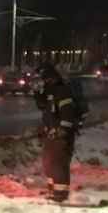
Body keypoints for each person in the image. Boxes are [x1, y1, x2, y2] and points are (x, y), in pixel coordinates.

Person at [32, 63, 78, 202]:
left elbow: (68, 113)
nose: (38, 81)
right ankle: (53, 189)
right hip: (51, 132)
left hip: (61, 134)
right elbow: (44, 107)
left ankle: (61, 192)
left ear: (47, 77)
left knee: (58, 162)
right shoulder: (50, 90)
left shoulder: (61, 91)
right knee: (49, 161)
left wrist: (62, 130)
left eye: (40, 78)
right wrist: (37, 93)